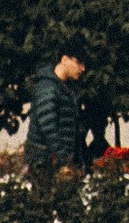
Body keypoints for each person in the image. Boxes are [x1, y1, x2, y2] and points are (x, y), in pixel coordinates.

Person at [26, 50, 94, 181]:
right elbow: (48, 127)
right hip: (46, 163)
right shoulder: (48, 88)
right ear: (64, 59)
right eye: (79, 62)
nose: (83, 68)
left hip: (57, 162)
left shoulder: (64, 88)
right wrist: (65, 160)